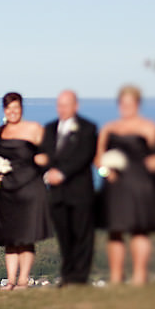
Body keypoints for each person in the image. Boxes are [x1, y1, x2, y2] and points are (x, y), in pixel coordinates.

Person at [0, 93, 52, 290]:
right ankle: (11, 280)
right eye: (9, 109)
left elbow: (48, 155)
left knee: (26, 235)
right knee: (9, 236)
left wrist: (39, 160)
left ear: (21, 109)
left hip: (30, 187)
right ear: (4, 110)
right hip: (5, 190)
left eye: (16, 108)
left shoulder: (35, 129)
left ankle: (23, 280)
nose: (12, 112)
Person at [95, 85, 155, 285]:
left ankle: (140, 275)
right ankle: (116, 276)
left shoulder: (149, 127)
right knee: (114, 230)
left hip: (139, 185)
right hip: (114, 187)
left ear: (137, 104)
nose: (126, 107)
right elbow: (98, 158)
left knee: (139, 229)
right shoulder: (109, 128)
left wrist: (151, 167)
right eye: (123, 103)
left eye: (130, 103)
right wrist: (106, 170)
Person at [40, 90, 97, 286]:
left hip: (80, 191)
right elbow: (45, 154)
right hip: (57, 194)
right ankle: (68, 274)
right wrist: (48, 171)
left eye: (66, 105)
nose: (62, 109)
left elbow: (84, 156)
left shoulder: (88, 128)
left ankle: (80, 277)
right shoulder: (49, 128)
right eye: (60, 105)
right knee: (64, 235)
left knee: (82, 234)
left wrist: (61, 173)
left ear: (75, 106)